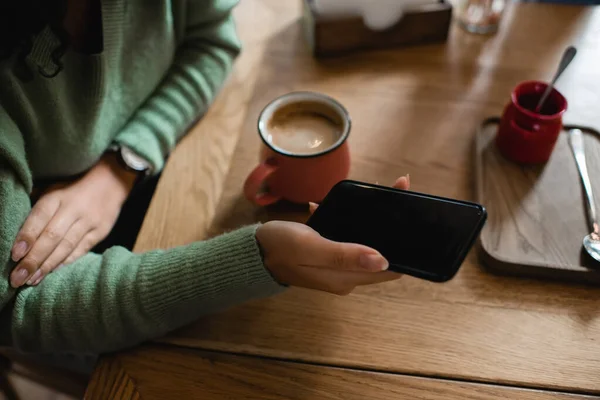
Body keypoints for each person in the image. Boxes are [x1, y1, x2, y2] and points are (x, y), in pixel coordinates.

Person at [0, 0, 409, 361]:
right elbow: (20, 306)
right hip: (77, 280)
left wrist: (120, 167)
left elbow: (211, 42)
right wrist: (260, 259)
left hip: (151, 179)